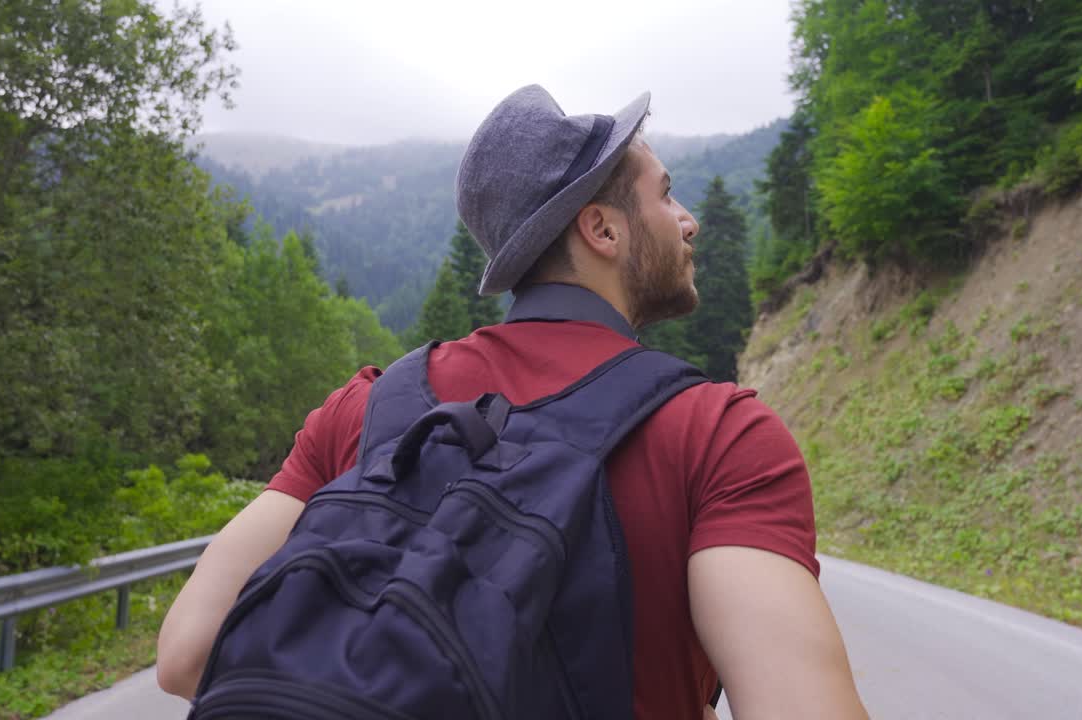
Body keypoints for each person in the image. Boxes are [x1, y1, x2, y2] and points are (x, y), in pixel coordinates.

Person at [157, 85, 868, 720]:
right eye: (665, 195)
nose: (689, 221)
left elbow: (187, 655)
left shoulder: (364, 409)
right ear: (603, 230)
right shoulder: (717, 433)